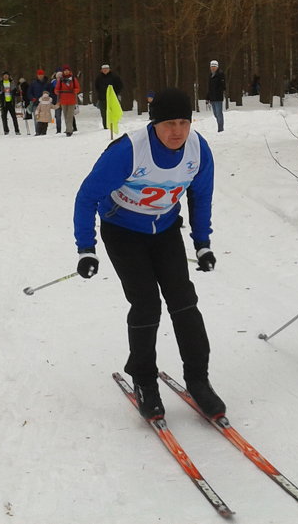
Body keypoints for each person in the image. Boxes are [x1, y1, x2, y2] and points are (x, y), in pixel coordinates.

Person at [72, 88, 224, 420]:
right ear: (154, 124)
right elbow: (86, 196)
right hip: (123, 230)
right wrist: (86, 248)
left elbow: (201, 196)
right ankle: (144, 380)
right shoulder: (128, 151)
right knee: (146, 303)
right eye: (169, 123)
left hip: (165, 229)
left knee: (184, 300)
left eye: (184, 122)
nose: (177, 131)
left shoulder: (198, 150)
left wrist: (203, 243)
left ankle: (199, 380)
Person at [95, 64, 123, 129]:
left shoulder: (115, 77)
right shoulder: (98, 78)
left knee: (113, 112)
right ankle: (105, 125)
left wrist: (114, 93)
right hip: (102, 98)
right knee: (104, 113)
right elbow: (96, 87)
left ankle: (113, 124)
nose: (105, 70)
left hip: (112, 98)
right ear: (101, 70)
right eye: (103, 69)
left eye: (106, 69)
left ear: (109, 69)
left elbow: (120, 86)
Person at [55, 66, 80, 137]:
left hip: (71, 99)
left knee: (69, 115)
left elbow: (77, 88)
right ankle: (69, 128)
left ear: (69, 71)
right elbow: (56, 89)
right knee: (66, 116)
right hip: (63, 100)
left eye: (67, 70)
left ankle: (69, 130)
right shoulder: (61, 80)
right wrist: (57, 91)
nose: (66, 72)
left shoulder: (73, 79)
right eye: (65, 70)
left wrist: (74, 90)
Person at [206, 60, 225, 132]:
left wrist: (219, 91)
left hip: (218, 97)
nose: (213, 68)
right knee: (215, 114)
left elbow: (223, 86)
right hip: (212, 98)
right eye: (211, 66)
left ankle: (220, 128)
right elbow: (209, 88)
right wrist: (208, 97)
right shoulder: (210, 76)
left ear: (217, 67)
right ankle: (219, 126)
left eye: (214, 66)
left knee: (219, 113)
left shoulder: (220, 74)